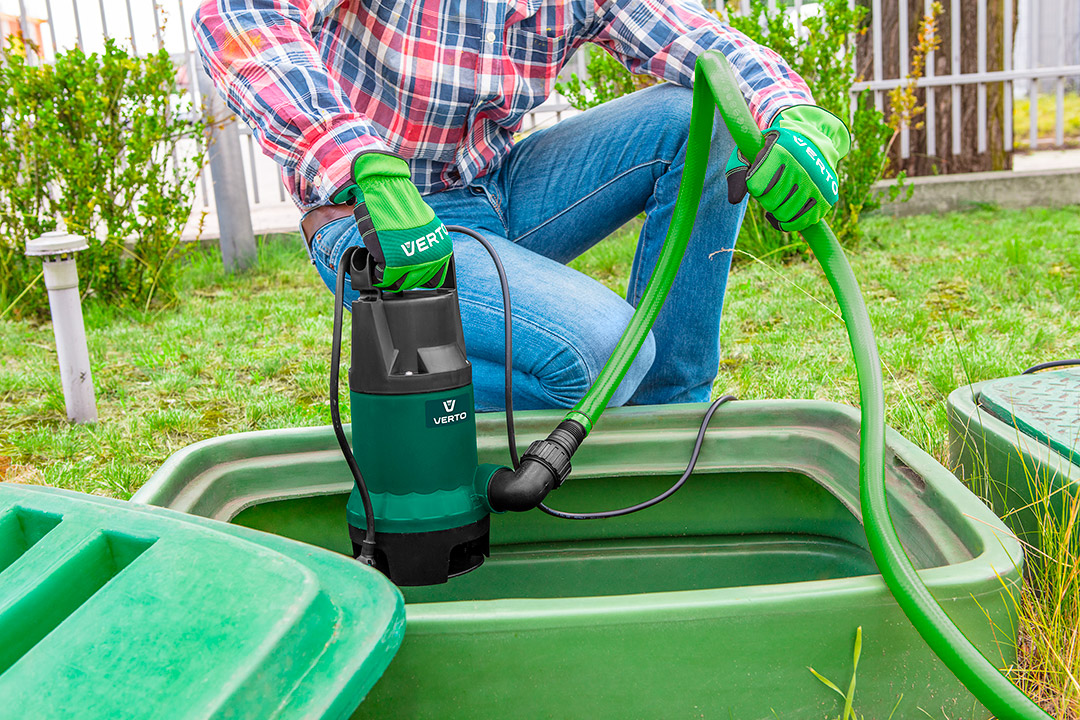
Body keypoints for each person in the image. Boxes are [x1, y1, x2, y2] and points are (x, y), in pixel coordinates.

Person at [192, 0, 850, 412]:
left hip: (496, 189)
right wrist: (356, 161)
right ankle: (403, 386)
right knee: (608, 355)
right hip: (374, 218)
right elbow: (240, 16)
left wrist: (790, 112)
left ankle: (670, 416)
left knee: (702, 119)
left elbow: (702, 43)